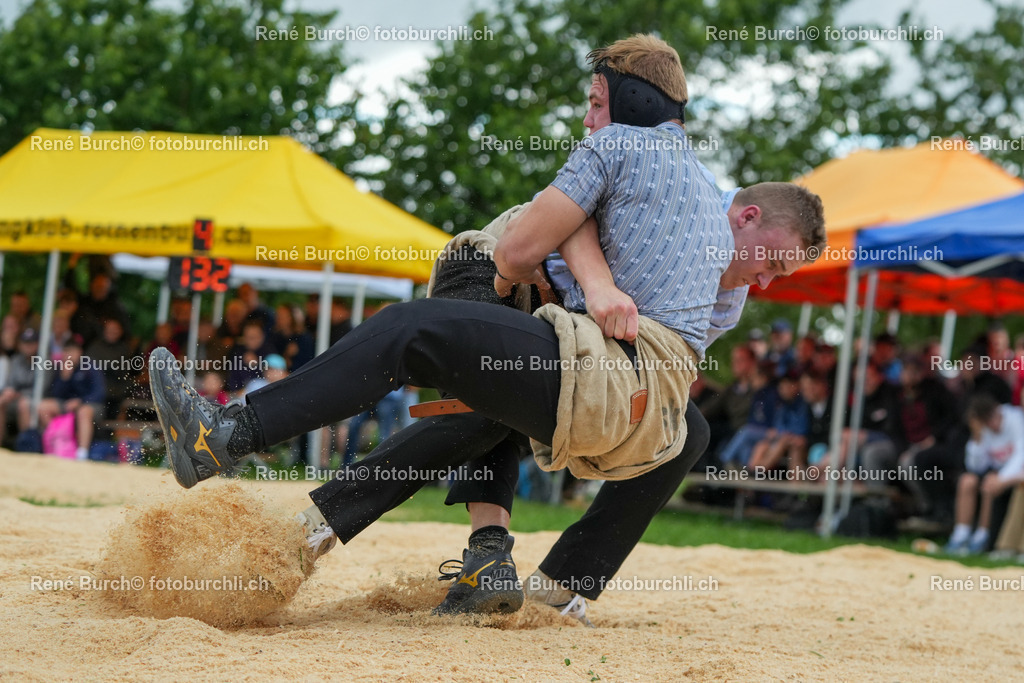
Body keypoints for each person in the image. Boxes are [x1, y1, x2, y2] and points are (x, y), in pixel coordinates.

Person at [149, 34, 824, 620]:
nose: (587, 121)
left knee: (413, 332)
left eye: (595, 103)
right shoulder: (691, 188)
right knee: (516, 396)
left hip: (565, 337)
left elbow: (515, 255)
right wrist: (594, 283)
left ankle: (234, 437)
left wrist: (586, 282)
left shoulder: (631, 156)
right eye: (772, 265)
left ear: (629, 104)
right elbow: (559, 242)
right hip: (580, 357)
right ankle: (513, 567)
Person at [945, 395, 1024, 555]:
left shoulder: (1015, 418)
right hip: (996, 473)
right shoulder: (984, 429)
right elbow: (975, 465)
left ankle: (982, 535)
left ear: (998, 410)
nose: (993, 425)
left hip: (1011, 473)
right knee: (967, 481)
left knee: (990, 484)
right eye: (987, 422)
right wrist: (977, 437)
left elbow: (1020, 455)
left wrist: (1001, 479)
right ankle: (961, 534)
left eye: (994, 418)